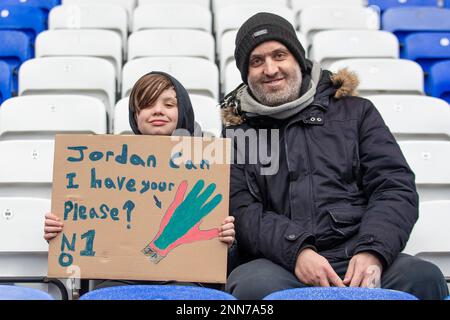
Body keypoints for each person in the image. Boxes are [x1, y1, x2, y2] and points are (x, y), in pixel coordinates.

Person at [221, 12, 449, 300]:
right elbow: (242, 210)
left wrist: (372, 250)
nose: (270, 69)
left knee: (424, 278)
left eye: (279, 55)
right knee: (250, 286)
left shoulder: (357, 112)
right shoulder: (239, 133)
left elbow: (394, 186)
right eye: (257, 61)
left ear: (298, 60)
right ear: (246, 73)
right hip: (282, 262)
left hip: (359, 251)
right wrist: (297, 252)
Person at [44, 71, 235, 288]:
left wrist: (227, 239)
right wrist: (60, 230)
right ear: (135, 116)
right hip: (121, 280)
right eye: (147, 104)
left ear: (183, 111)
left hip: (187, 281)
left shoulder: (211, 165)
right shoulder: (107, 166)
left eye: (169, 104)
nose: (158, 111)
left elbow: (221, 253)